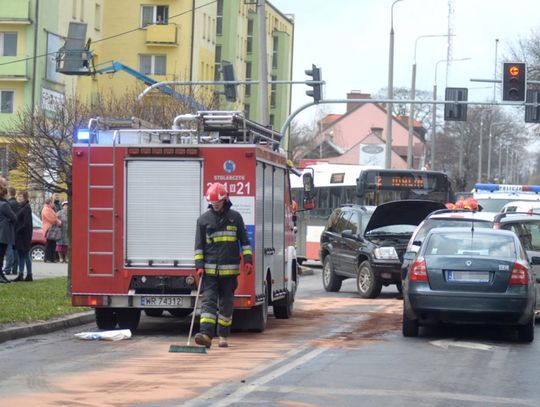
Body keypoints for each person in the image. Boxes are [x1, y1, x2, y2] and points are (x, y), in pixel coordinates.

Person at [193, 183, 253, 349]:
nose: (215, 205)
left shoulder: (236, 218)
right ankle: (206, 335)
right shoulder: (203, 220)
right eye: (212, 202)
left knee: (226, 305)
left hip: (229, 273)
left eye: (218, 202)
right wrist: (199, 265)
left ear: (225, 199)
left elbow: (245, 242)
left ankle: (223, 335)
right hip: (209, 273)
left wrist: (248, 260)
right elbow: (199, 247)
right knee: (208, 303)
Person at [13, 190, 33, 281]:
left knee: (26, 254)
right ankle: (20, 274)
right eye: (18, 196)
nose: (19, 198)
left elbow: (26, 223)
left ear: (25, 197)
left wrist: (18, 230)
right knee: (20, 255)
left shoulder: (27, 207)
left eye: (21, 196)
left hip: (24, 235)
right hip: (19, 235)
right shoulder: (20, 207)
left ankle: (29, 274)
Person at [0, 185, 17, 284]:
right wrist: (8, 220)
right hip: (3, 234)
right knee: (1, 255)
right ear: (5, 194)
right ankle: (1, 276)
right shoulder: (4, 205)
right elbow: (14, 217)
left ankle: (2, 275)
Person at [3, 187, 19, 275]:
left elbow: (11, 217)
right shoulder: (17, 203)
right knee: (14, 250)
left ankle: (7, 269)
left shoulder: (8, 204)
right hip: (16, 229)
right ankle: (14, 269)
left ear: (9, 193)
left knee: (9, 250)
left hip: (9, 228)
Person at [41, 197, 61, 263]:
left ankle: (52, 258)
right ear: (50, 203)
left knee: (52, 244)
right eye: (52, 203)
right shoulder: (46, 209)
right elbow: (52, 219)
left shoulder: (49, 209)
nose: (54, 204)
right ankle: (48, 258)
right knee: (49, 244)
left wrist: (56, 220)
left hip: (51, 228)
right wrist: (58, 221)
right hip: (49, 228)